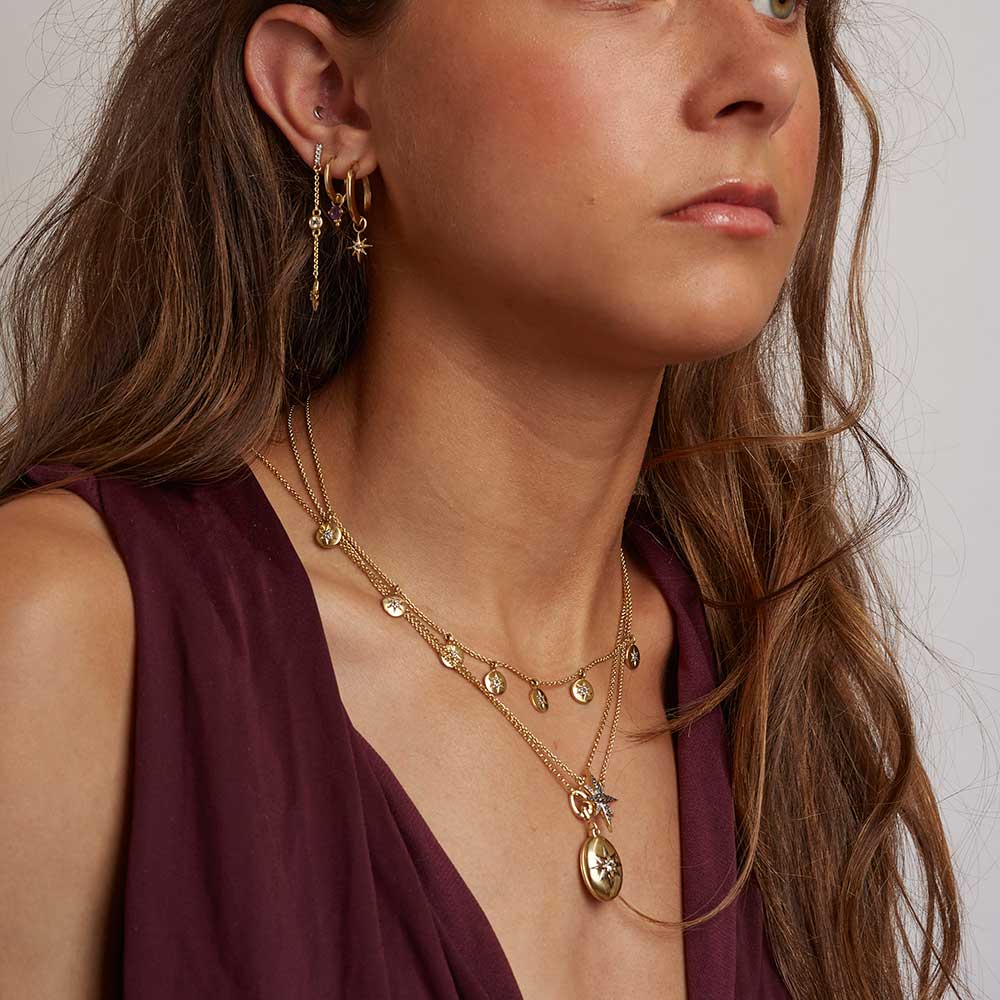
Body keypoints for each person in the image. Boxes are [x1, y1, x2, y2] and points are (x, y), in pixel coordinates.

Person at [0, 1, 970, 998]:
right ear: (329, 98)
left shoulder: (775, 669)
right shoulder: (63, 635)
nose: (762, 79)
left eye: (778, 2)